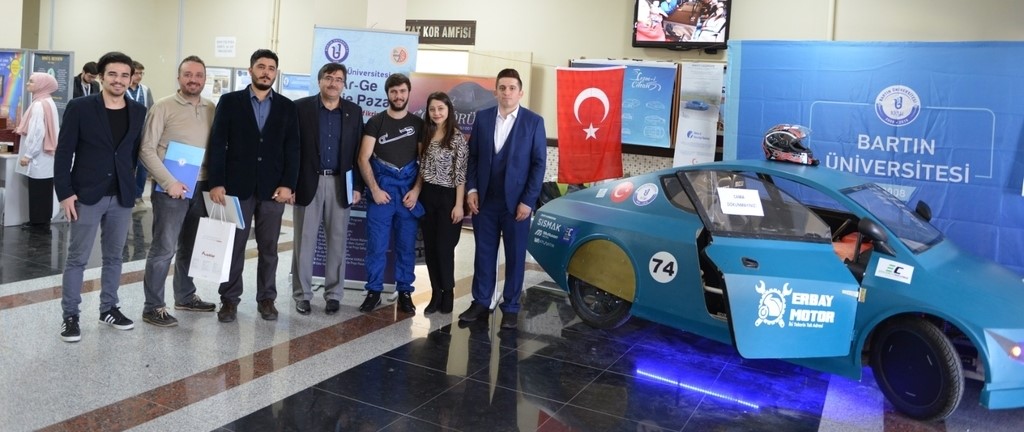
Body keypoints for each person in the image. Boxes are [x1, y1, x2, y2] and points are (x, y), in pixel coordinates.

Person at [54, 52, 147, 342]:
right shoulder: (80, 107)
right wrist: (65, 193)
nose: (119, 80)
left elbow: (133, 153)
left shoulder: (138, 111)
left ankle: (109, 308)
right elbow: (63, 152)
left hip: (121, 196)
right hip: (86, 194)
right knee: (77, 259)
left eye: (124, 75)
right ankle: (70, 315)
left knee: (115, 256)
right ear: (102, 77)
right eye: (112, 74)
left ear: (131, 78)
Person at [206, 49, 299, 323]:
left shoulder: (287, 107)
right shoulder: (230, 101)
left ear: (276, 73)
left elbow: (293, 148)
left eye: (271, 68)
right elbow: (217, 144)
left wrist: (288, 184)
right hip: (236, 188)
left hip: (273, 190)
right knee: (233, 247)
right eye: (261, 66)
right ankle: (229, 300)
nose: (266, 72)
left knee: (269, 247)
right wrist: (216, 182)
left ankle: (267, 298)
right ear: (250, 70)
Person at [458, 68, 547, 330]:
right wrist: (472, 190)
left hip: (517, 204)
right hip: (485, 201)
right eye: (502, 87)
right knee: (483, 254)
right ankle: (481, 302)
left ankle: (510, 307)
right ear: (495, 91)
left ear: (520, 92)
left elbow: (538, 164)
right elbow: (473, 157)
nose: (507, 92)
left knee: (516, 256)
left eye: (512, 88)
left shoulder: (534, 122)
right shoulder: (483, 118)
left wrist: (528, 201)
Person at [137, 55, 218, 327]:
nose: (193, 80)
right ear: (179, 77)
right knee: (164, 248)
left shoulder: (211, 108)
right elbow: (146, 149)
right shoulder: (162, 107)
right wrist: (168, 181)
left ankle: (185, 296)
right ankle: (153, 306)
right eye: (188, 75)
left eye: (198, 75)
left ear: (205, 79)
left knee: (191, 247)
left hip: (202, 186)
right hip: (170, 189)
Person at [290, 63, 363, 316]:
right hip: (307, 182)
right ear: (320, 81)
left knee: (337, 242)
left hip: (340, 183)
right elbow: (292, 149)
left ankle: (333, 295)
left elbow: (358, 152)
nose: (333, 83)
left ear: (344, 84)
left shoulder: (353, 112)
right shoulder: (300, 108)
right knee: (304, 242)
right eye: (329, 78)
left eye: (338, 79)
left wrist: (357, 186)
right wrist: (290, 184)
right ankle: (302, 295)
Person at [356, 73, 424, 314]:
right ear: (387, 94)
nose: (398, 96)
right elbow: (363, 158)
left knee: (406, 247)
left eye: (402, 91)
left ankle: (405, 292)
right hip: (382, 193)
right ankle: (373, 291)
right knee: (376, 246)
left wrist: (416, 191)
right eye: (394, 91)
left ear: (408, 93)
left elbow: (423, 161)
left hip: (407, 194)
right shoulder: (376, 122)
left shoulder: (418, 124)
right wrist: (374, 190)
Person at [418, 91, 468, 314]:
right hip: (427, 195)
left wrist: (458, 205)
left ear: (448, 110)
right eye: (432, 109)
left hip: (449, 197)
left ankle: (448, 292)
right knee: (430, 248)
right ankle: (435, 293)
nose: (436, 113)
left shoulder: (457, 138)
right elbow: (422, 166)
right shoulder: (427, 133)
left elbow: (461, 174)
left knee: (444, 248)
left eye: (440, 108)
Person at [14, 72, 60, 230]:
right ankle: (42, 220)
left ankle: (37, 223)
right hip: (45, 156)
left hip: (38, 155)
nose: (28, 83)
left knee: (38, 189)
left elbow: (37, 132)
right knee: (44, 188)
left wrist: (28, 155)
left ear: (42, 85)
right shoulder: (48, 101)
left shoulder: (39, 104)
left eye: (31, 81)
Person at [127, 60, 155, 206]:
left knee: (143, 166)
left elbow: (151, 109)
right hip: (126, 133)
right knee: (128, 165)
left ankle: (138, 194)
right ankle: (127, 193)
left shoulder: (145, 90)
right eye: (136, 73)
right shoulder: (122, 89)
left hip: (143, 132)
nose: (139, 76)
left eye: (141, 73)